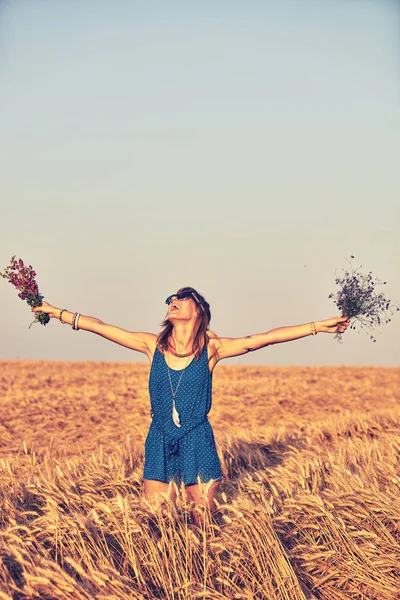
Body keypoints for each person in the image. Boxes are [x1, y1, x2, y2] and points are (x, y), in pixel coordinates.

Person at [32, 287, 350, 517]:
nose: (172, 301)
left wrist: (316, 328)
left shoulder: (212, 349)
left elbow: (264, 338)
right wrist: (55, 311)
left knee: (203, 521)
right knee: (156, 518)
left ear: (197, 310)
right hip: (159, 437)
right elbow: (101, 327)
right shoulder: (151, 345)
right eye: (170, 299)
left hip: (197, 437)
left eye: (181, 298)